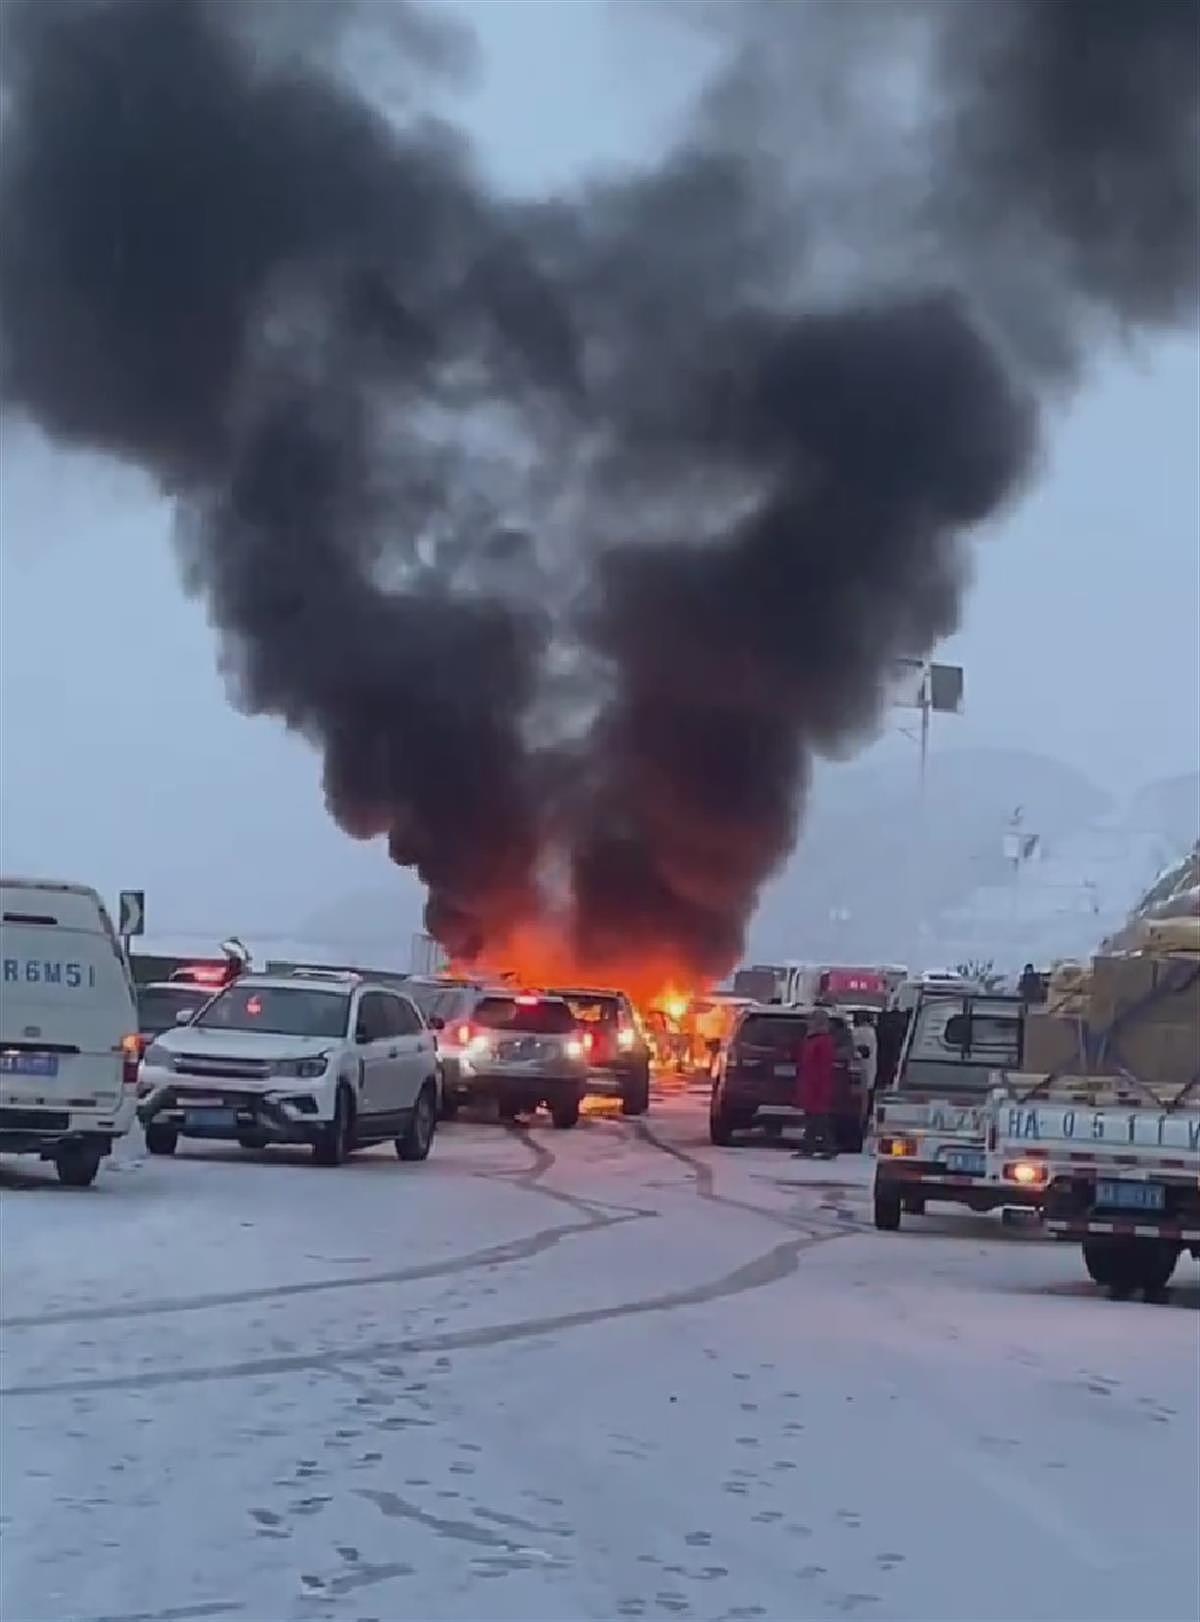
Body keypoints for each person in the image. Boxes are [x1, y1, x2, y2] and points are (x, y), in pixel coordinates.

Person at [794, 1008, 838, 1159]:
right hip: (810, 1084)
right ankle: (811, 1147)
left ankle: (827, 1146)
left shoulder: (822, 1041)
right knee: (813, 1119)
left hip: (817, 1086)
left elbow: (823, 1067)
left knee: (818, 1119)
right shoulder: (812, 1039)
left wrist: (819, 1087)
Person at [852, 1009, 878, 1101]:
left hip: (860, 1069)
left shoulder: (859, 1032)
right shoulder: (872, 1031)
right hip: (870, 1068)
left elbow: (863, 1051)